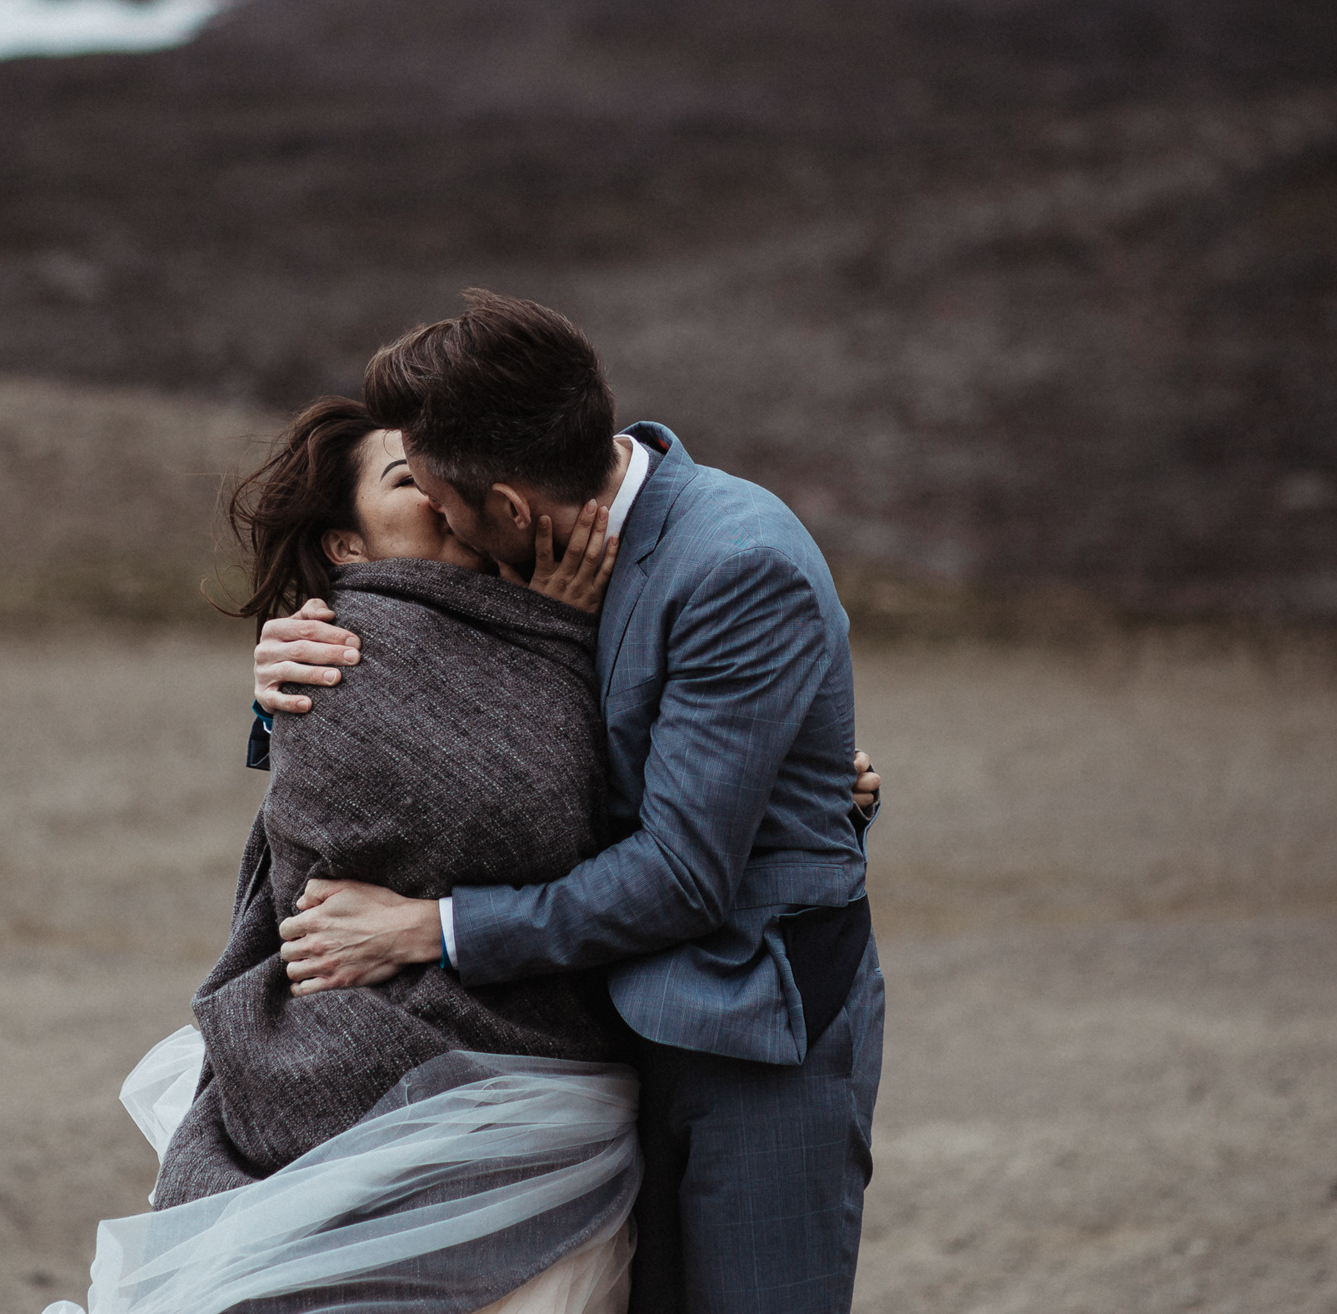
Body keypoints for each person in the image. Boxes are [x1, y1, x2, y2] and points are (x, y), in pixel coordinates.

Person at [264, 292, 885, 1314]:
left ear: (507, 505)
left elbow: (685, 872)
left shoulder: (734, 564)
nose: (432, 513)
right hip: (603, 1039)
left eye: (438, 494)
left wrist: (431, 927)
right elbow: (449, 709)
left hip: (746, 1038)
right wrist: (272, 690)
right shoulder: (552, 561)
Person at [47, 396, 644, 1314]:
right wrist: (551, 638)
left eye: (447, 468)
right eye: (408, 480)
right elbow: (528, 821)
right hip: (403, 1067)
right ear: (347, 546)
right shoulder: (335, 653)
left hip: (504, 1073)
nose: (443, 492)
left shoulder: (547, 613)